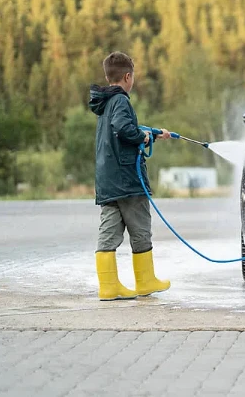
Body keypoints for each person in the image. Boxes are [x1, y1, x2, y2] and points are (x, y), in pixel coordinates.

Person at [89, 51, 171, 301]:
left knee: (109, 230)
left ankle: (108, 287)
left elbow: (120, 129)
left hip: (108, 179)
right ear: (127, 77)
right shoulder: (122, 101)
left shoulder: (106, 103)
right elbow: (124, 128)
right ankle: (145, 281)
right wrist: (142, 137)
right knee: (140, 229)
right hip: (127, 179)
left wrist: (154, 133)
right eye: (132, 77)